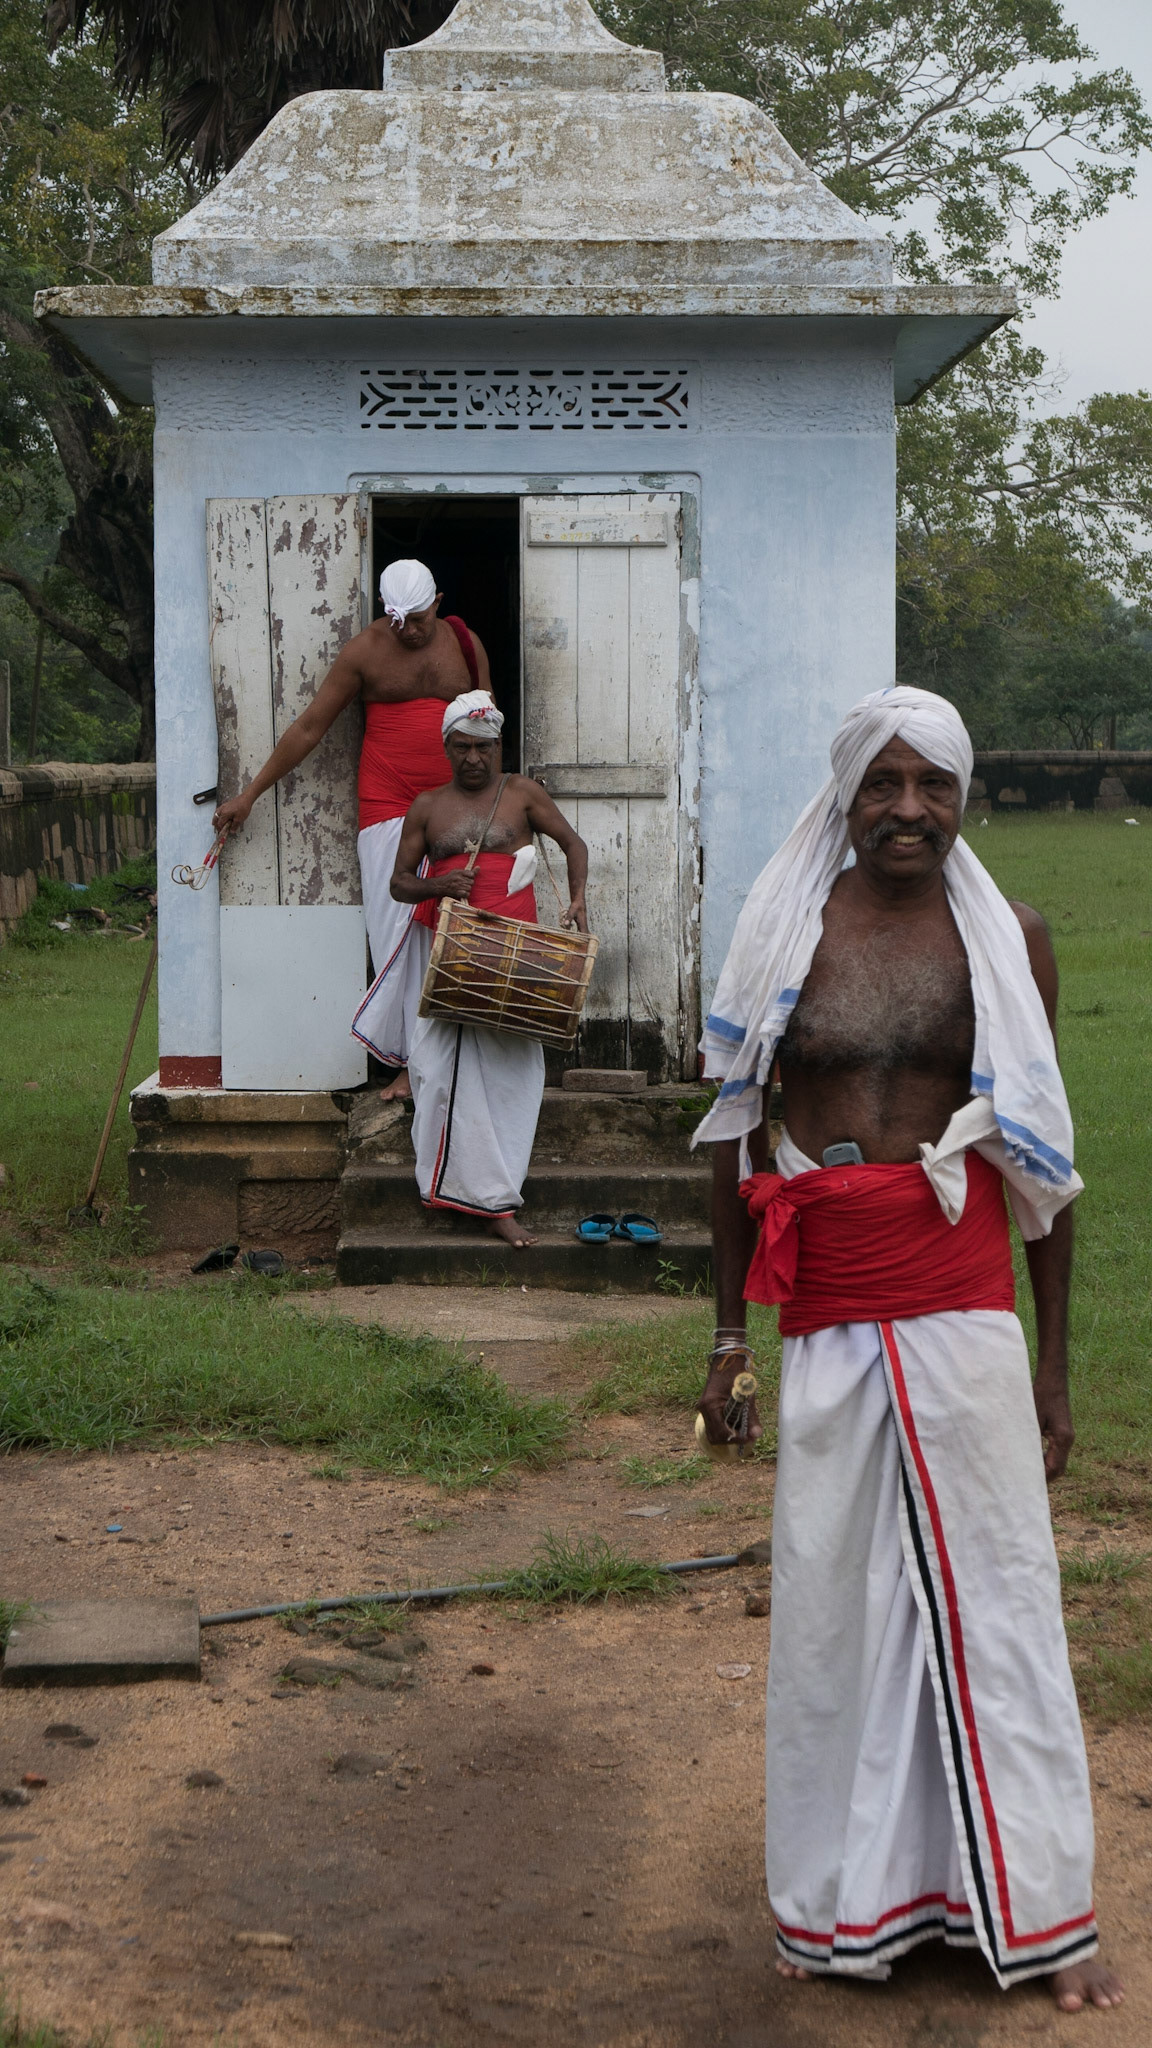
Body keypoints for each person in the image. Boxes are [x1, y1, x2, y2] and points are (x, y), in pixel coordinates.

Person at [693, 686, 1122, 2014]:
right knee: (835, 1609)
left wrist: (1053, 1368)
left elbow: (1041, 1164)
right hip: (825, 1321)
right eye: (883, 784)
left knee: (999, 1604)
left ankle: (1044, 1919)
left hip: (964, 1312)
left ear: (963, 797)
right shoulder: (780, 937)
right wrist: (725, 1340)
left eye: (932, 785)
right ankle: (845, 1911)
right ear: (845, 795)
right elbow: (730, 1141)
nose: (908, 810)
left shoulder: (1012, 943)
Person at [212, 558, 493, 1101]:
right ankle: (412, 1066)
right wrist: (249, 795)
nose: (409, 631)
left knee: (453, 937)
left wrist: (496, 808)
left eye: (418, 618)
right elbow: (309, 727)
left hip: (456, 810)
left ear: (438, 602)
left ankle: (459, 1065)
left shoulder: (465, 643)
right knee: (398, 940)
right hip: (387, 808)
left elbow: (489, 726)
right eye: (398, 620)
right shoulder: (364, 651)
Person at [390, 691, 589, 1249]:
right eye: (462, 747)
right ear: (447, 748)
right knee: (432, 1072)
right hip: (452, 957)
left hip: (514, 958)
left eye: (483, 747)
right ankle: (450, 1192)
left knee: (509, 1080)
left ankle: (497, 1201)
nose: (473, 758)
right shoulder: (427, 807)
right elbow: (398, 883)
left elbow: (574, 845)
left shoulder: (522, 793)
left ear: (497, 745)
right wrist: (437, 885)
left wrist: (575, 900)